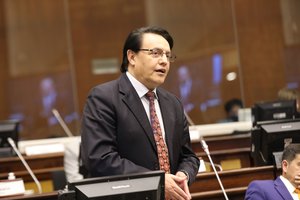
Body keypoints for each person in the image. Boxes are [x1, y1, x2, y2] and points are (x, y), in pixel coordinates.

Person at [80, 26, 200, 200]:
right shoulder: (104, 97)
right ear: (132, 57)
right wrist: (156, 181)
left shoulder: (172, 102)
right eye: (156, 53)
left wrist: (183, 175)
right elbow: (100, 159)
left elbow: (188, 156)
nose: (164, 61)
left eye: (168, 55)